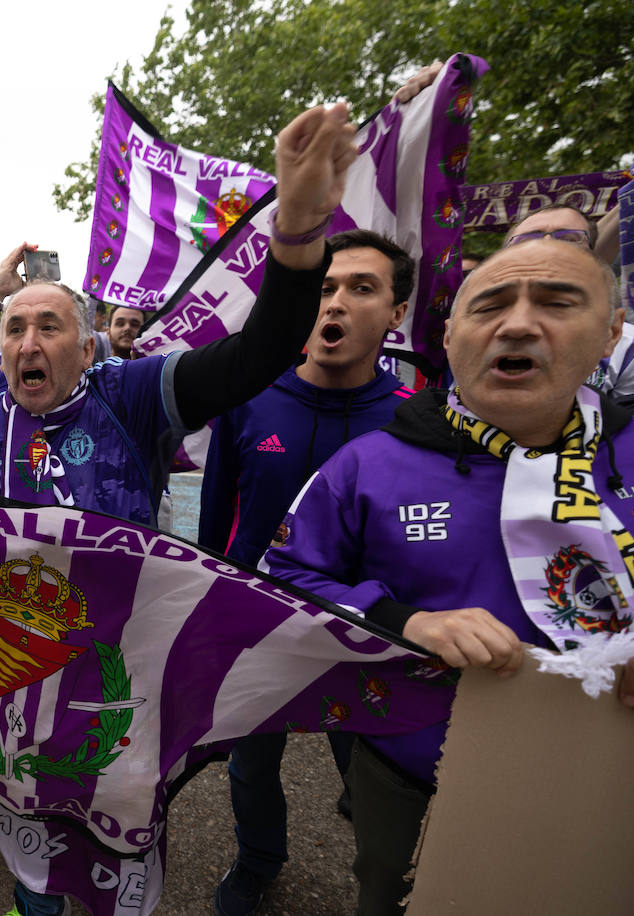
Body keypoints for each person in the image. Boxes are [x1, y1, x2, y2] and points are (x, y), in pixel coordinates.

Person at [0, 100, 357, 916]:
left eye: (48, 326)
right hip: (8, 685)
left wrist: (297, 230)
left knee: (117, 834)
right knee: (29, 844)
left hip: (121, 681)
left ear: (86, 347)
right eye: (14, 328)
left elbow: (258, 356)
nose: (25, 343)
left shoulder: (129, 397)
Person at [261, 236, 634, 915]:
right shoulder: (369, 466)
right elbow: (282, 580)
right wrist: (405, 621)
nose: (518, 324)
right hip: (418, 776)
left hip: (629, 772)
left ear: (612, 332)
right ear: (449, 336)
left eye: (558, 302)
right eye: (491, 306)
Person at [198, 229, 415, 916]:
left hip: (367, 639)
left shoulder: (416, 421)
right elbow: (213, 522)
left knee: (378, 780)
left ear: (396, 313)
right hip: (260, 629)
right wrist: (207, 614)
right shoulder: (251, 398)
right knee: (251, 765)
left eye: (361, 288)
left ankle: (384, 885)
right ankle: (258, 860)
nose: (337, 303)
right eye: (324, 288)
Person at [504, 204, 634, 396]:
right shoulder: (463, 330)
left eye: (569, 238)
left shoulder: (630, 344)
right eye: (527, 239)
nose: (547, 244)